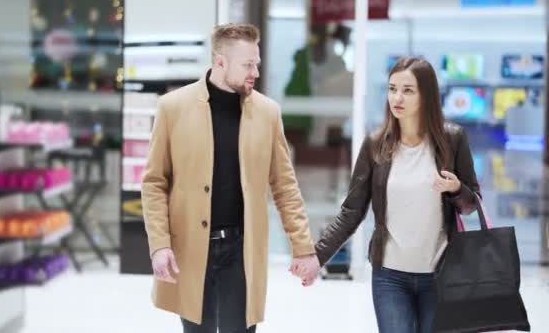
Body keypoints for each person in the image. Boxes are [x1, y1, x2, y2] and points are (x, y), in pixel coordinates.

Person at [141, 23, 319, 333]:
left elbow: (285, 186)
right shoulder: (173, 108)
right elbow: (155, 182)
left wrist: (303, 246)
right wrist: (159, 244)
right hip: (191, 249)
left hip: (241, 248)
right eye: (248, 65)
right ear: (220, 62)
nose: (256, 72)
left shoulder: (268, 113)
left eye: (257, 63)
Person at [293, 57, 481, 333]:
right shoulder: (375, 145)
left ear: (426, 95)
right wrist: (317, 257)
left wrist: (456, 190)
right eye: (392, 89)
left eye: (408, 90)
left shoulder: (452, 139)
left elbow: (472, 203)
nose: (397, 97)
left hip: (441, 275)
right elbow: (351, 211)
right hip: (390, 277)